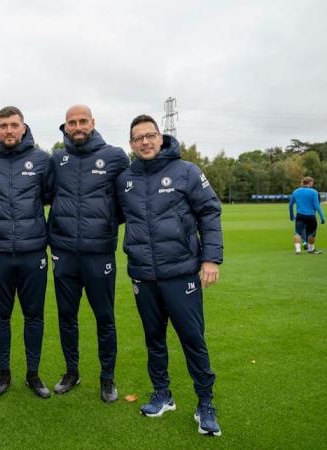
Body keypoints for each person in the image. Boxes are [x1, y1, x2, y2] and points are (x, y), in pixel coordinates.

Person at [115, 115, 223, 436]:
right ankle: (163, 394)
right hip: (143, 275)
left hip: (181, 273)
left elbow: (209, 212)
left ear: (161, 137)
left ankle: (205, 403)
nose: (145, 142)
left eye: (150, 135)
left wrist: (211, 259)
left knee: (193, 339)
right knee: (154, 340)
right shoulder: (124, 179)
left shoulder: (186, 171)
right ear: (131, 144)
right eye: (138, 138)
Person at [48, 105, 129, 401]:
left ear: (93, 122)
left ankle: (107, 378)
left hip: (99, 254)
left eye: (83, 121)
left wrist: (105, 224)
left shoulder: (115, 156)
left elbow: (125, 201)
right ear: (65, 126)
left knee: (104, 318)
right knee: (67, 316)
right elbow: (44, 195)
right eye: (72, 122)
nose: (77, 126)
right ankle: (72, 371)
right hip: (64, 252)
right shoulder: (57, 159)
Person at [0, 106, 54, 398]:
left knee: (34, 316)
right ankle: (4, 373)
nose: (9, 130)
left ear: (24, 127)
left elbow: (50, 196)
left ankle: (33, 374)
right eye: (4, 125)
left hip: (33, 252)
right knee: (0, 316)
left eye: (14, 125)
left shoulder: (42, 159)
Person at [289, 176, 324, 254]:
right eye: (312, 183)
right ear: (310, 183)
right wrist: (322, 217)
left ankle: (298, 250)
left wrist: (291, 215)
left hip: (300, 215)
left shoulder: (296, 191)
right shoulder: (313, 192)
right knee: (312, 233)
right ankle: (311, 250)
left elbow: (291, 205)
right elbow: (317, 206)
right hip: (311, 216)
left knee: (297, 233)